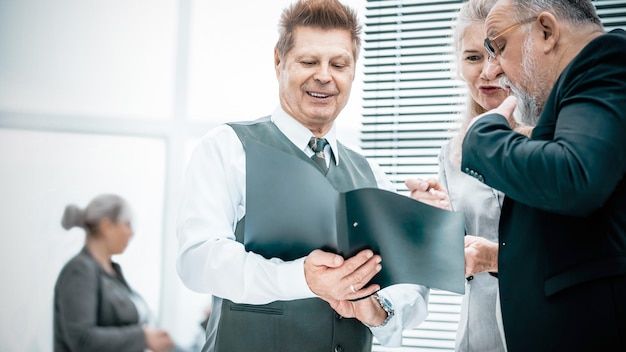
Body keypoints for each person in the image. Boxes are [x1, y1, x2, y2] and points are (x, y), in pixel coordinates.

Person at [176, 0, 429, 351]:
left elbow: (409, 285)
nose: (324, 75)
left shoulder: (371, 173)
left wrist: (379, 309)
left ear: (353, 70)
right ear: (279, 61)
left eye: (338, 64)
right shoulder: (228, 148)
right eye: (309, 61)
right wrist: (300, 278)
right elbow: (198, 260)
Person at [460, 0, 626, 350]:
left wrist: (483, 136)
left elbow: (574, 177)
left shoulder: (607, 63)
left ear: (546, 31)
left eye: (499, 47)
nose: (495, 71)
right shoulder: (576, 96)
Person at [408, 0, 534, 350]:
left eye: (497, 53)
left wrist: (496, 258)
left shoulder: (556, 142)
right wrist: (431, 222)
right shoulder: (452, 155)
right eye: (474, 57)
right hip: (478, 337)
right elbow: (451, 266)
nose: (488, 71)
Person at [54, 194, 175, 352]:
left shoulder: (113, 273)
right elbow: (82, 339)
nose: (131, 233)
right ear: (107, 226)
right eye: (127, 224)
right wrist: (143, 337)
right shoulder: (79, 271)